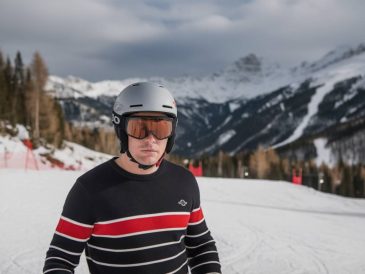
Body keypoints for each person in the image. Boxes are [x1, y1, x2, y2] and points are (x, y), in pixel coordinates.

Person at [43, 82, 221, 274]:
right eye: (139, 128)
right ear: (121, 130)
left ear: (171, 134)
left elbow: (201, 247)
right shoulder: (90, 189)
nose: (150, 139)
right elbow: (60, 260)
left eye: (161, 129)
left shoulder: (184, 182)